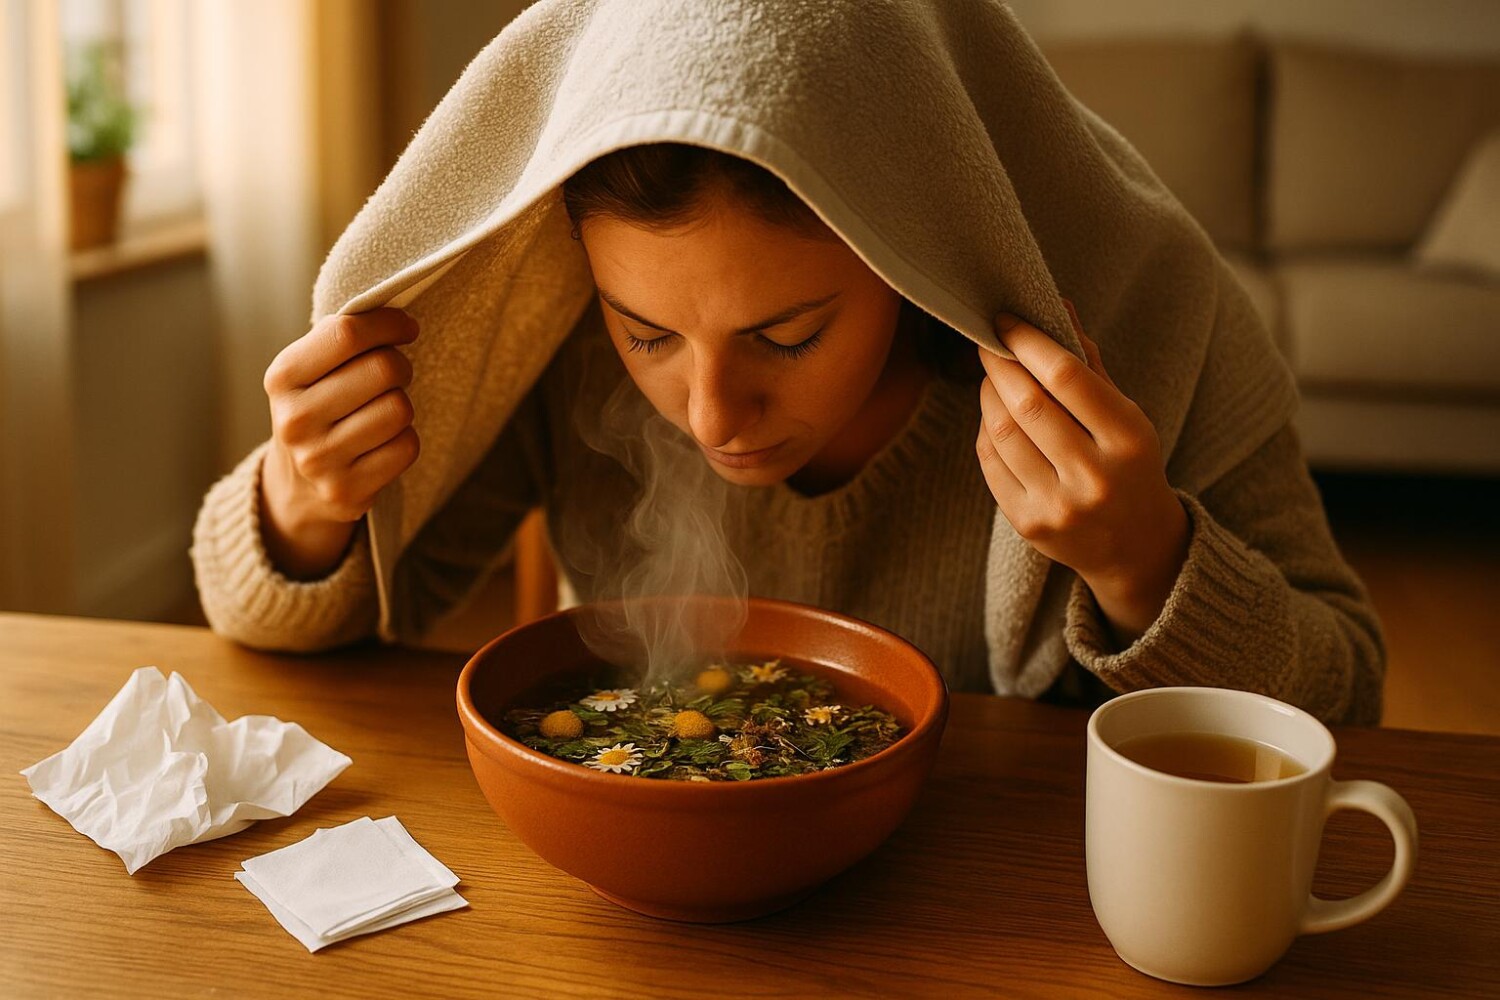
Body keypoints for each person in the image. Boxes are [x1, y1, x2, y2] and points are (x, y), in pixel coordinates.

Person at [190, 2, 1385, 724]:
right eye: (646, 334)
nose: (712, 414)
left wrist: (1143, 558)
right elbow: (298, 629)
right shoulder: (548, 338)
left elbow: (1349, 695)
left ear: (924, 255)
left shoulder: (1154, 319)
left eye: (788, 334)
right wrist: (304, 507)